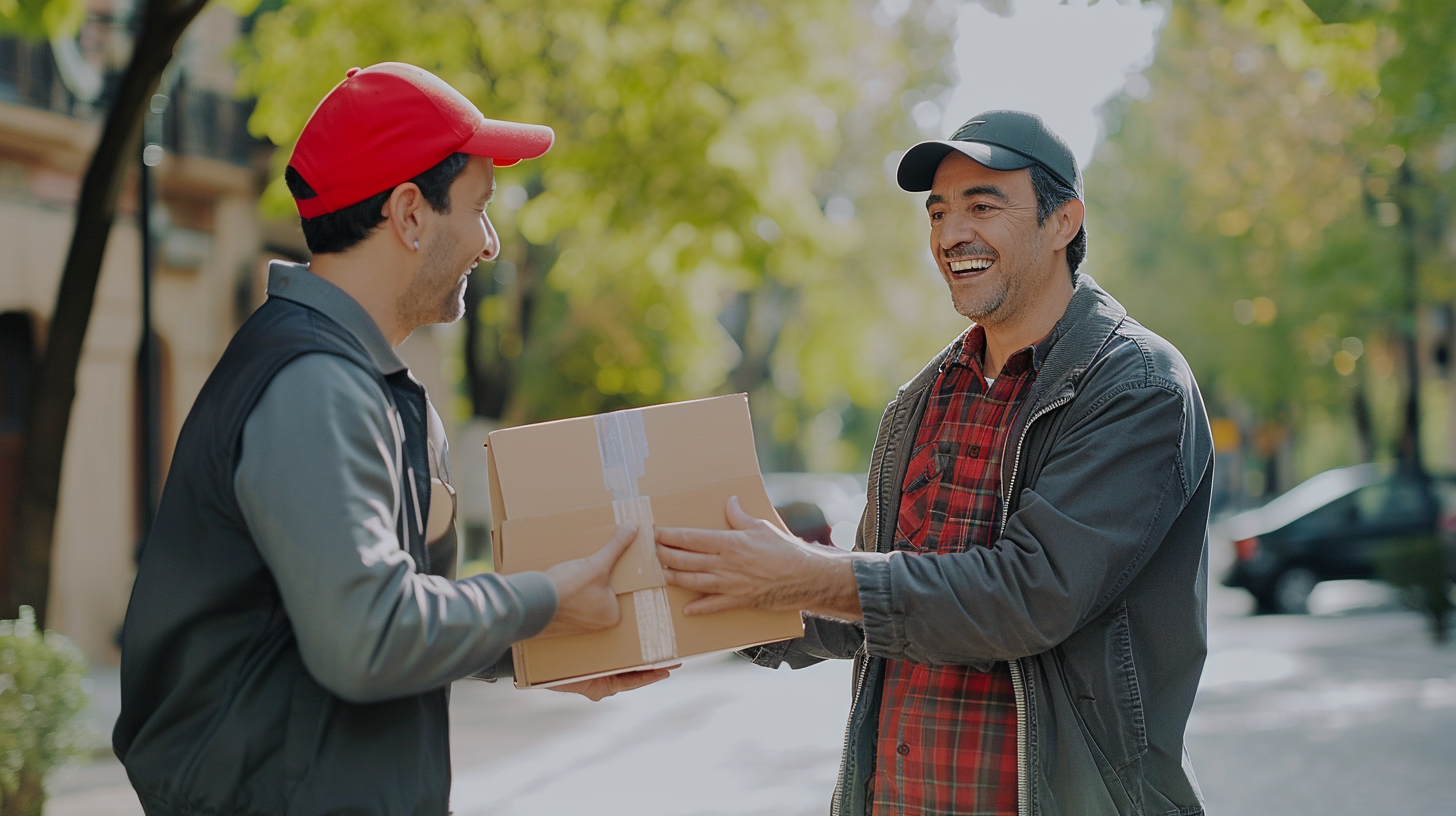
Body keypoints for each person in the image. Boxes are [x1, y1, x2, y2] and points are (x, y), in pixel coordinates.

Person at [113, 63, 666, 815]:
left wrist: (539, 648)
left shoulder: (367, 385)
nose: (491, 244)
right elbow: (366, 639)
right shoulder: (313, 385)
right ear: (409, 214)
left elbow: (402, 613)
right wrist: (542, 601)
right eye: (479, 209)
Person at [656, 110, 1213, 816]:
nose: (952, 235)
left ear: (1063, 221)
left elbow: (1028, 595)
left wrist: (806, 573)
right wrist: (708, 601)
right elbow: (870, 605)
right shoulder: (920, 400)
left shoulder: (1136, 386)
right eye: (940, 212)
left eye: (983, 206)